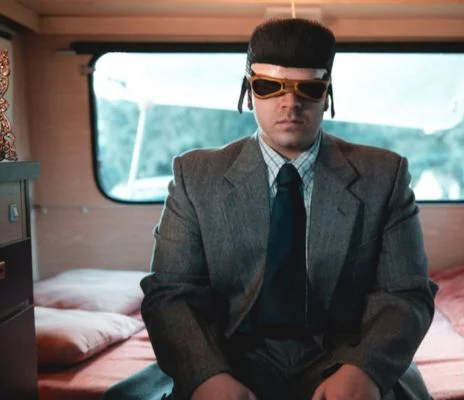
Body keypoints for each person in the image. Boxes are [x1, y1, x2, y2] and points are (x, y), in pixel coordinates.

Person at [103, 17, 437, 400]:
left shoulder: (384, 175)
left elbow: (406, 293)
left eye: (308, 88)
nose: (290, 103)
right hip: (228, 356)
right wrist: (207, 377)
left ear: (327, 94)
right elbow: (171, 293)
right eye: (269, 86)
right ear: (248, 93)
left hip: (346, 356)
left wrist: (364, 372)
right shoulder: (195, 176)